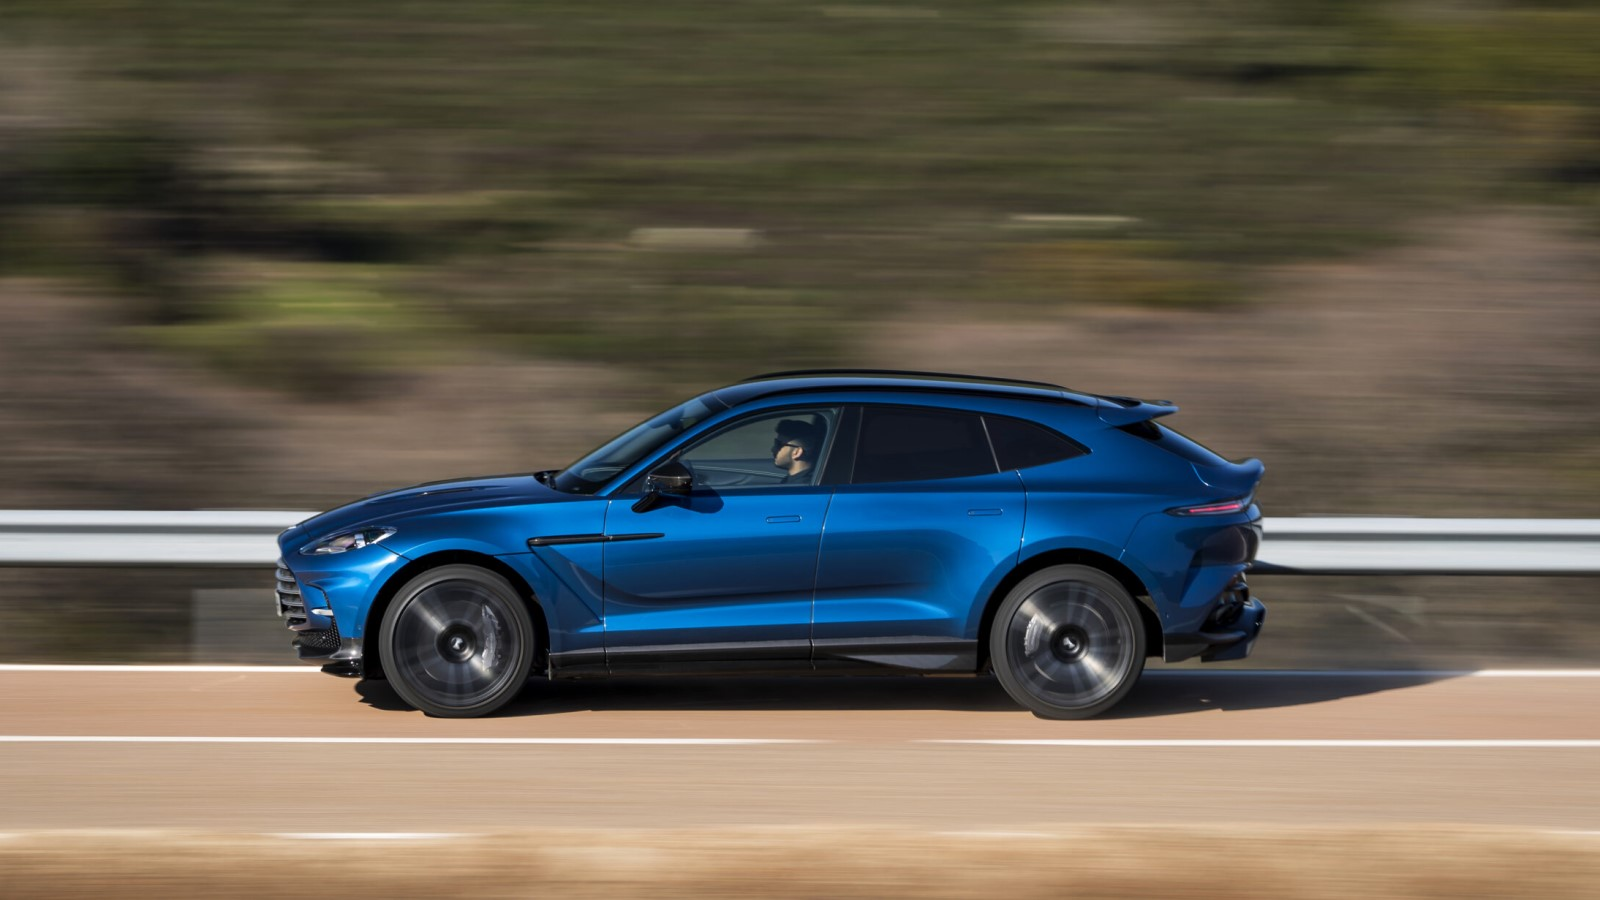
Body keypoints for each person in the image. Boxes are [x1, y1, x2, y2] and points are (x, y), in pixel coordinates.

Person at [772, 418, 823, 484]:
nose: (773, 449)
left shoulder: (802, 486)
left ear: (797, 452)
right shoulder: (793, 480)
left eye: (779, 444)